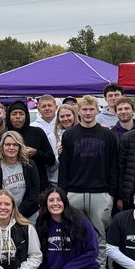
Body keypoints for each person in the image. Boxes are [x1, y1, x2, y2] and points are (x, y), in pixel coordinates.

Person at [36, 185, 102, 269]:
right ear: (46, 203)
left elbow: (92, 251)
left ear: (65, 202)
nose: (55, 203)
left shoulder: (80, 220)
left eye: (59, 199)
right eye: (51, 200)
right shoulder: (42, 224)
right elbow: (40, 258)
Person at [57, 94, 119, 244]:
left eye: (91, 109)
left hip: (101, 193)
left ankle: (100, 262)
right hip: (74, 192)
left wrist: (111, 193)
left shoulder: (108, 135)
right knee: (73, 235)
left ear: (97, 110)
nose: (88, 113)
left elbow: (114, 165)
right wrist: (63, 192)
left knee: (100, 237)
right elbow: (64, 166)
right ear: (78, 111)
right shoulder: (69, 135)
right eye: (84, 109)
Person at [0, 130, 40, 219]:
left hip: (29, 213)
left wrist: (19, 211)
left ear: (20, 147)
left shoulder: (29, 165)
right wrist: (10, 212)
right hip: (6, 214)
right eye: (8, 144)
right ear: (2, 146)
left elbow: (34, 191)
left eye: (15, 144)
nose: (11, 148)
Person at [6, 101, 55, 188]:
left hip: (38, 185)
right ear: (8, 116)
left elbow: (51, 160)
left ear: (26, 116)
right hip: (12, 186)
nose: (18, 117)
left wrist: (36, 153)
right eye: (14, 114)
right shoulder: (4, 136)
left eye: (21, 114)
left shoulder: (37, 133)